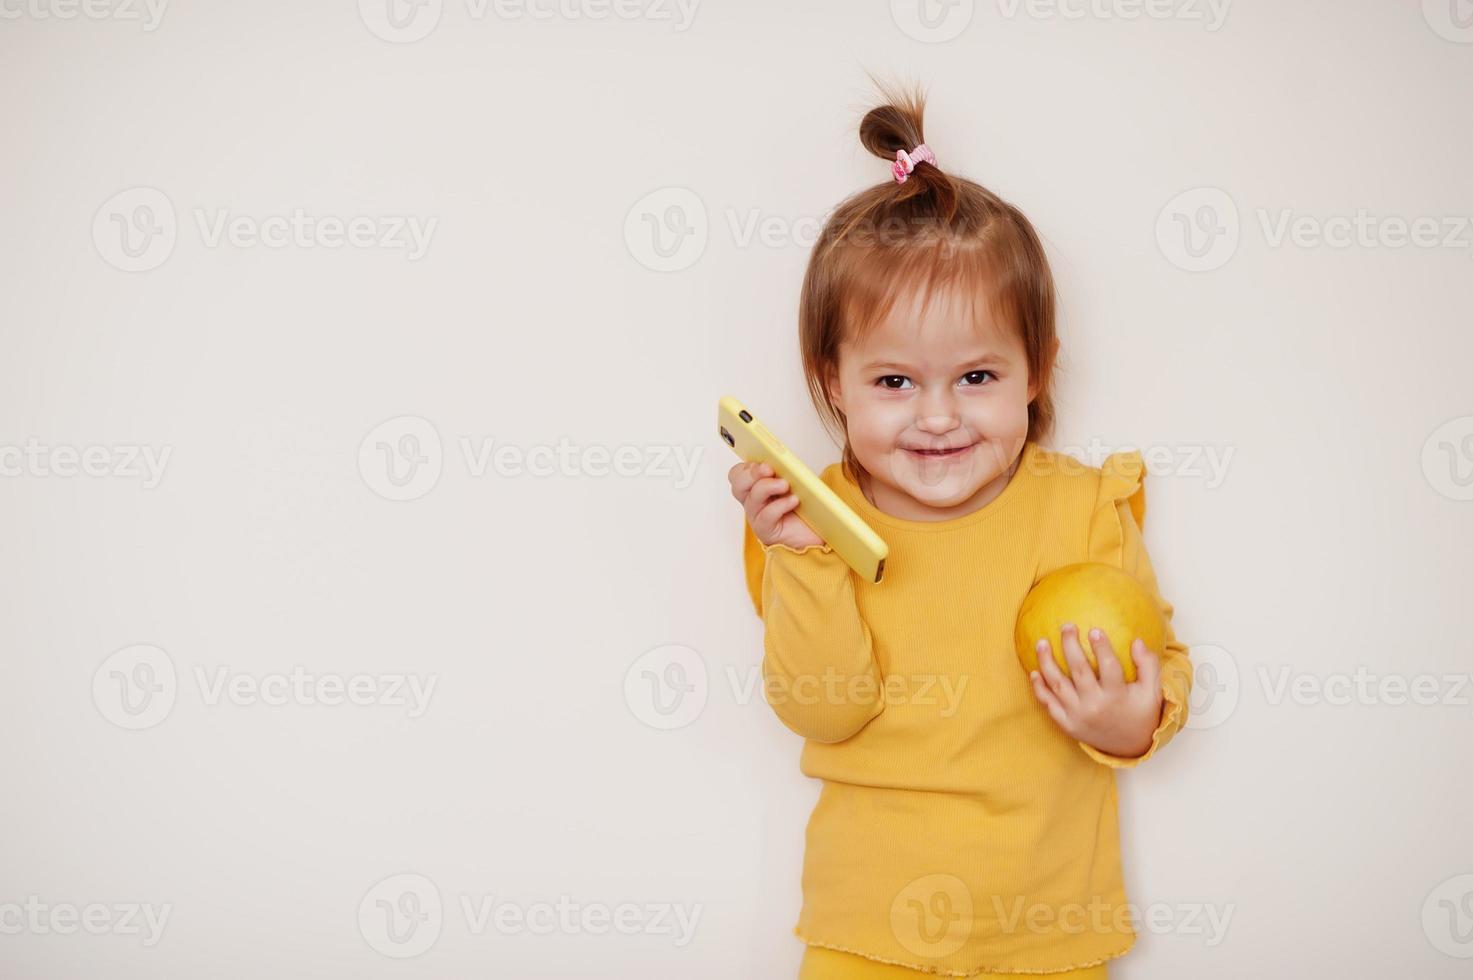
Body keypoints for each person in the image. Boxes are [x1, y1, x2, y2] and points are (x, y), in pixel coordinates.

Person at [729, 81, 1193, 978]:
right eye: (894, 382)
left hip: (1044, 935)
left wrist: (1131, 717)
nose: (937, 417)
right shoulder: (809, 522)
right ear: (832, 383)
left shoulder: (1081, 509)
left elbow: (1160, 664)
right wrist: (802, 561)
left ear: (1035, 371)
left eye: (976, 377)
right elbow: (823, 708)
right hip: (866, 931)